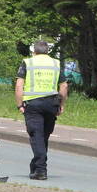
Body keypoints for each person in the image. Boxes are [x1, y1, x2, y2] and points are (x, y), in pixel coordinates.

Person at [15, 40, 68, 180]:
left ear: (34, 51)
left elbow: (19, 85)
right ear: (47, 51)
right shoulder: (56, 63)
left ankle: (40, 170)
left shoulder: (28, 62)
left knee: (36, 135)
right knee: (43, 136)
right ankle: (36, 165)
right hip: (51, 104)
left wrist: (20, 105)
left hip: (33, 104)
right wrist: (61, 104)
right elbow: (64, 86)